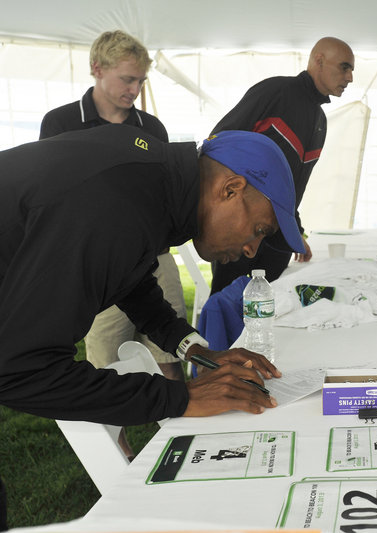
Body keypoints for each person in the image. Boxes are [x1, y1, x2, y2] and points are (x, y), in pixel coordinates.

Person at [0, 127, 306, 523]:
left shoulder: (149, 180)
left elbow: (127, 272)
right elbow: (20, 370)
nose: (251, 248)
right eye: (260, 230)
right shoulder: (117, 201)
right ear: (230, 189)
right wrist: (179, 398)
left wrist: (193, 348)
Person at [39, 30, 185, 383]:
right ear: (96, 69)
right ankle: (114, 441)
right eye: (127, 79)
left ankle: (181, 435)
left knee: (171, 356)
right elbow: (50, 195)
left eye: (140, 81)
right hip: (97, 266)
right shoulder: (60, 123)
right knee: (103, 367)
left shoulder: (151, 128)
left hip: (155, 258)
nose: (134, 89)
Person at [209, 36, 355, 293]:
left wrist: (296, 230)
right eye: (345, 67)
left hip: (277, 240)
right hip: (239, 232)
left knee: (269, 315)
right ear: (319, 60)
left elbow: (290, 187)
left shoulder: (320, 119)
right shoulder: (275, 92)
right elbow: (218, 142)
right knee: (227, 310)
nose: (350, 77)